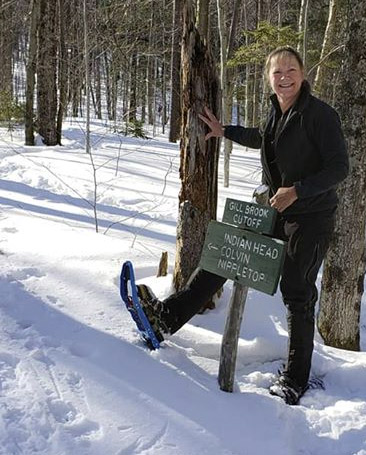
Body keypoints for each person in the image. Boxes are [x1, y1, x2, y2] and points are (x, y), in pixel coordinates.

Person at [135, 46, 349, 405]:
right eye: (277, 72)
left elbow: (339, 168)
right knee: (225, 255)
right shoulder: (277, 111)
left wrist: (297, 191)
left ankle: (295, 379)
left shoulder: (319, 115)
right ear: (269, 77)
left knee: (297, 291)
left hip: (310, 218)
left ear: (303, 73)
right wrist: (224, 131)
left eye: (290, 70)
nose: (284, 77)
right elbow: (264, 138)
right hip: (275, 210)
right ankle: (166, 319)